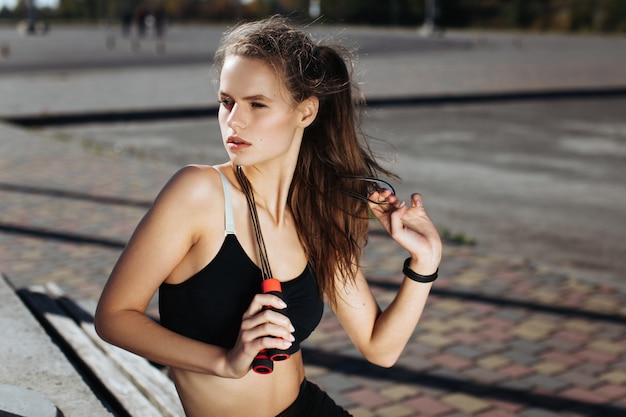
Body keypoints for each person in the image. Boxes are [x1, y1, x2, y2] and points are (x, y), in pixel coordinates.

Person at [95, 16, 442, 417]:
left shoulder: (319, 210)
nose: (234, 121)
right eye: (227, 102)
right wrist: (225, 362)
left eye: (257, 104)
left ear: (305, 112)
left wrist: (425, 263)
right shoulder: (199, 194)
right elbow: (114, 317)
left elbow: (380, 348)